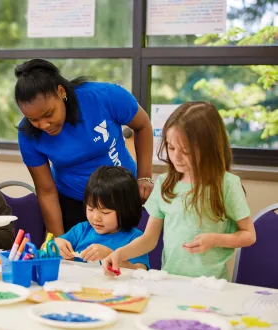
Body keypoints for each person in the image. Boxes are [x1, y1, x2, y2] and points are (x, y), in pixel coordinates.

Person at [103, 102, 257, 279]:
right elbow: (149, 239)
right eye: (171, 147)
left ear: (209, 148)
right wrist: (119, 254)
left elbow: (248, 235)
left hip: (212, 286)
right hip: (172, 281)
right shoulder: (164, 183)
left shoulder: (227, 185)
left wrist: (215, 239)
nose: (176, 157)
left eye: (186, 151)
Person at [15, 59, 154, 237]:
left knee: (125, 257)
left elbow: (142, 125)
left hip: (123, 195)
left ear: (61, 91)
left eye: (48, 114)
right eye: (33, 120)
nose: (43, 125)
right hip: (73, 202)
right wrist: (58, 239)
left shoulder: (104, 97)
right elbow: (46, 191)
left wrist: (145, 177)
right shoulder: (28, 135)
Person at [54, 166, 149, 270]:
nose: (96, 218)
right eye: (90, 209)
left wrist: (112, 256)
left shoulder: (135, 239)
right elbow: (44, 251)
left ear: (126, 209)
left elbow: (141, 272)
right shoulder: (81, 230)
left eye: (105, 212)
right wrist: (55, 245)